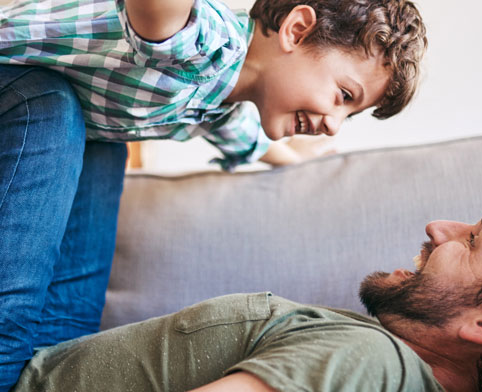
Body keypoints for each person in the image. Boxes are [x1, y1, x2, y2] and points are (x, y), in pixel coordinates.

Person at [0, 0, 428, 389]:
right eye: (343, 95)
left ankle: (48, 369)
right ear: (296, 31)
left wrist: (298, 161)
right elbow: (158, 12)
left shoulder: (221, 100)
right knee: (52, 103)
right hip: (17, 85)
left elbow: (248, 140)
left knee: (105, 149)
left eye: (349, 116)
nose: (335, 123)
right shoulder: (202, 41)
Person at [11, 178, 482, 392]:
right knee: (104, 123)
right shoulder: (384, 361)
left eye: (474, 239)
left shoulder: (368, 362)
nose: (438, 227)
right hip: (56, 352)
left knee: (52, 103)